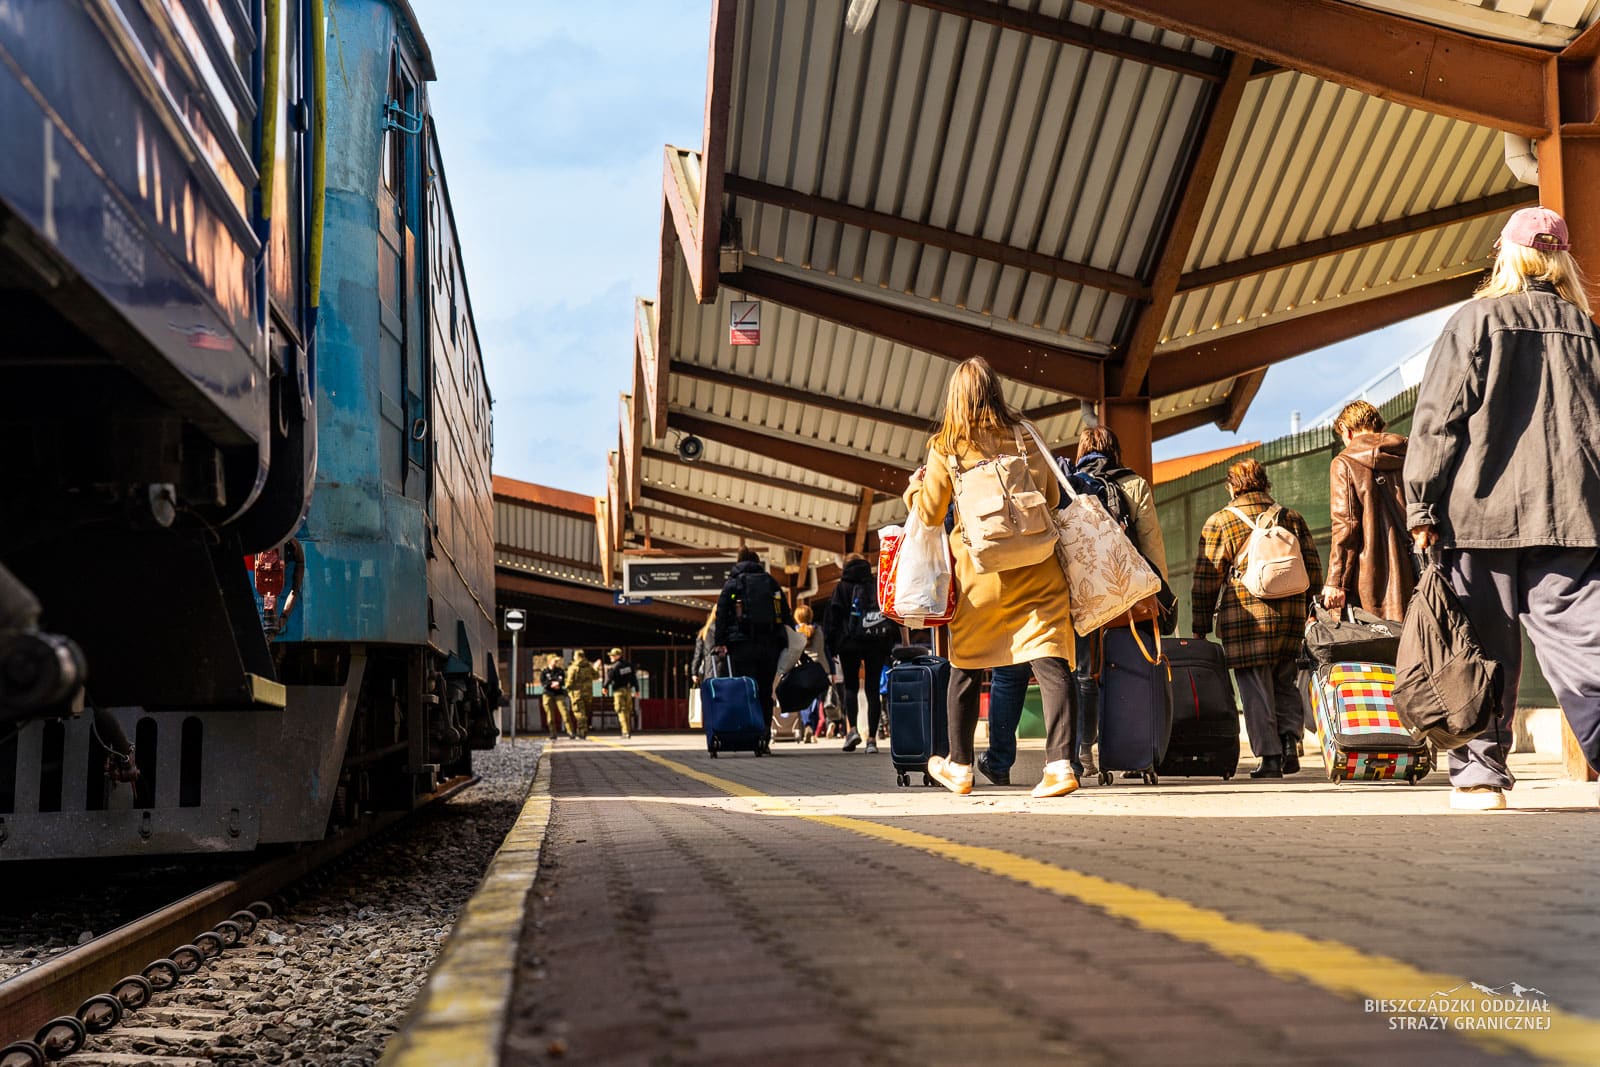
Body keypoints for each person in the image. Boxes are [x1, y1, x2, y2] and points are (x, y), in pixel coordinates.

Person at [1404, 206, 1600, 812]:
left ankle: (1482, 778)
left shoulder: (1477, 320)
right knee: (1587, 643)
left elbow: (1440, 418)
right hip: (1575, 514)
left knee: (1483, 649)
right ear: (1561, 257)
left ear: (1505, 254)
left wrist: (1421, 503)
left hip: (1480, 516)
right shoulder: (1586, 329)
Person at [904, 357, 1079, 798]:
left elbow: (928, 513)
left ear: (956, 397)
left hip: (979, 574)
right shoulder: (1027, 435)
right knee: (1050, 656)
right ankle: (1060, 765)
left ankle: (960, 766)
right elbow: (1054, 496)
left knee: (964, 665)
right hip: (1037, 565)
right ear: (996, 390)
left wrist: (912, 487)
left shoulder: (948, 446)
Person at [980, 425, 1169, 786]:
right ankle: (1080, 756)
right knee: (1084, 672)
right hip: (1102, 590)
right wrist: (1156, 590)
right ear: (1116, 450)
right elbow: (1150, 541)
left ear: (1081, 450)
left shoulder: (1063, 478)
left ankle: (1001, 759)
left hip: (1051, 585)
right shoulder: (1133, 484)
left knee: (1013, 670)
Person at [1191, 459, 1322, 778]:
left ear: (1232, 486)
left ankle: (1271, 758)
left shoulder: (1220, 521)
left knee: (1254, 685)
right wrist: (1309, 607)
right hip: (1290, 611)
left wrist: (1201, 626)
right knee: (1285, 680)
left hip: (1246, 615)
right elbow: (1313, 570)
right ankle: (1290, 744)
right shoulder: (1291, 517)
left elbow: (1206, 578)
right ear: (1266, 483)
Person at [1321, 399, 1414, 621]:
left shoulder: (1343, 463)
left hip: (1370, 581)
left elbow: (1346, 526)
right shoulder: (1410, 453)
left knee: (1379, 650)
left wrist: (1336, 582)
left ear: (1346, 429)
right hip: (1418, 569)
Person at [823, 553, 897, 754]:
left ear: (845, 566)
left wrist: (831, 646)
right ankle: (872, 740)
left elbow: (832, 618)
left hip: (849, 644)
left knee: (851, 688)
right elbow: (889, 613)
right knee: (873, 690)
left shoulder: (842, 587)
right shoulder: (875, 585)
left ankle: (852, 730)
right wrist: (891, 644)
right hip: (876, 643)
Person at [714, 549, 795, 724]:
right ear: (758, 563)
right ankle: (764, 736)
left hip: (741, 645)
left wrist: (720, 642)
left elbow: (720, 615)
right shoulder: (770, 582)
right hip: (769, 645)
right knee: (765, 691)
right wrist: (790, 637)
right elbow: (784, 612)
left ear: (738, 562)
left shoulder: (732, 583)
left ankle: (749, 729)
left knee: (745, 688)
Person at [792, 605, 827, 742]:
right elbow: (823, 650)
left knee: (802, 699)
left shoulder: (795, 631)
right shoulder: (818, 630)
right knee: (816, 700)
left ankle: (806, 726)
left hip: (800, 669)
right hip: (817, 668)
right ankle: (812, 731)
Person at [603, 647, 639, 739]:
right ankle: (628, 730)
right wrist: (637, 690)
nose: (611, 657)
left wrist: (605, 687)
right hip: (628, 691)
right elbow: (634, 678)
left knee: (621, 711)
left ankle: (625, 732)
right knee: (627, 711)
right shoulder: (629, 665)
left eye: (612, 656)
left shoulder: (613, 667)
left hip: (618, 691)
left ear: (617, 656)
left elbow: (609, 679)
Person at [564, 650, 598, 739]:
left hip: (577, 694)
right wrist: (596, 668)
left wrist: (567, 688)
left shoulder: (573, 667)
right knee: (585, 713)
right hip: (588, 694)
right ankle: (581, 731)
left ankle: (582, 732)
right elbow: (596, 676)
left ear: (576, 656)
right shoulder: (589, 666)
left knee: (579, 713)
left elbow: (569, 683)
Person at [539, 653, 572, 740]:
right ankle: (553, 733)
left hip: (559, 693)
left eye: (557, 661)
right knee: (550, 715)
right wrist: (552, 684)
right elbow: (543, 683)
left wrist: (558, 683)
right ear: (549, 661)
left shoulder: (560, 671)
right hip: (548, 694)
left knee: (564, 712)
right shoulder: (544, 672)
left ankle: (570, 732)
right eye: (554, 660)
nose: (556, 662)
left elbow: (563, 680)